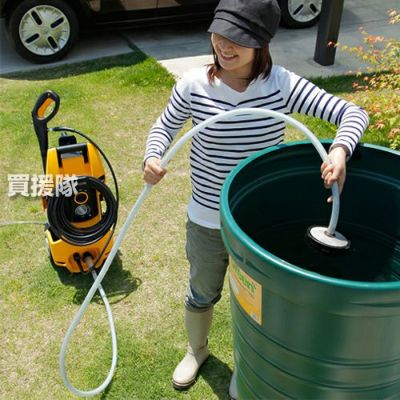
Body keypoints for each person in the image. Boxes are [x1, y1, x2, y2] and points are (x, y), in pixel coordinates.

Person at [142, 0, 369, 391]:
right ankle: (197, 350)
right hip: (207, 218)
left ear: (262, 42)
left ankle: (250, 367)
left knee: (258, 302)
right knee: (201, 292)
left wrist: (339, 151)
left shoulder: (280, 84)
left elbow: (353, 114)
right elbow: (163, 128)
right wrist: (152, 156)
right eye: (220, 33)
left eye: (238, 38)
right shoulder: (193, 85)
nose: (224, 45)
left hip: (257, 225)